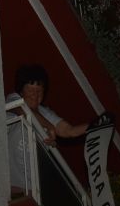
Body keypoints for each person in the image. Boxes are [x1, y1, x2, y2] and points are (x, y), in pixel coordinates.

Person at [6, 64, 88, 195]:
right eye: (31, 90)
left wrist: (97, 125)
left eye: (40, 90)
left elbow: (69, 131)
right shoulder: (13, 99)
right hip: (8, 181)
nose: (35, 94)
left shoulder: (45, 113)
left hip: (32, 187)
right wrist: (49, 127)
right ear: (21, 91)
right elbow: (23, 111)